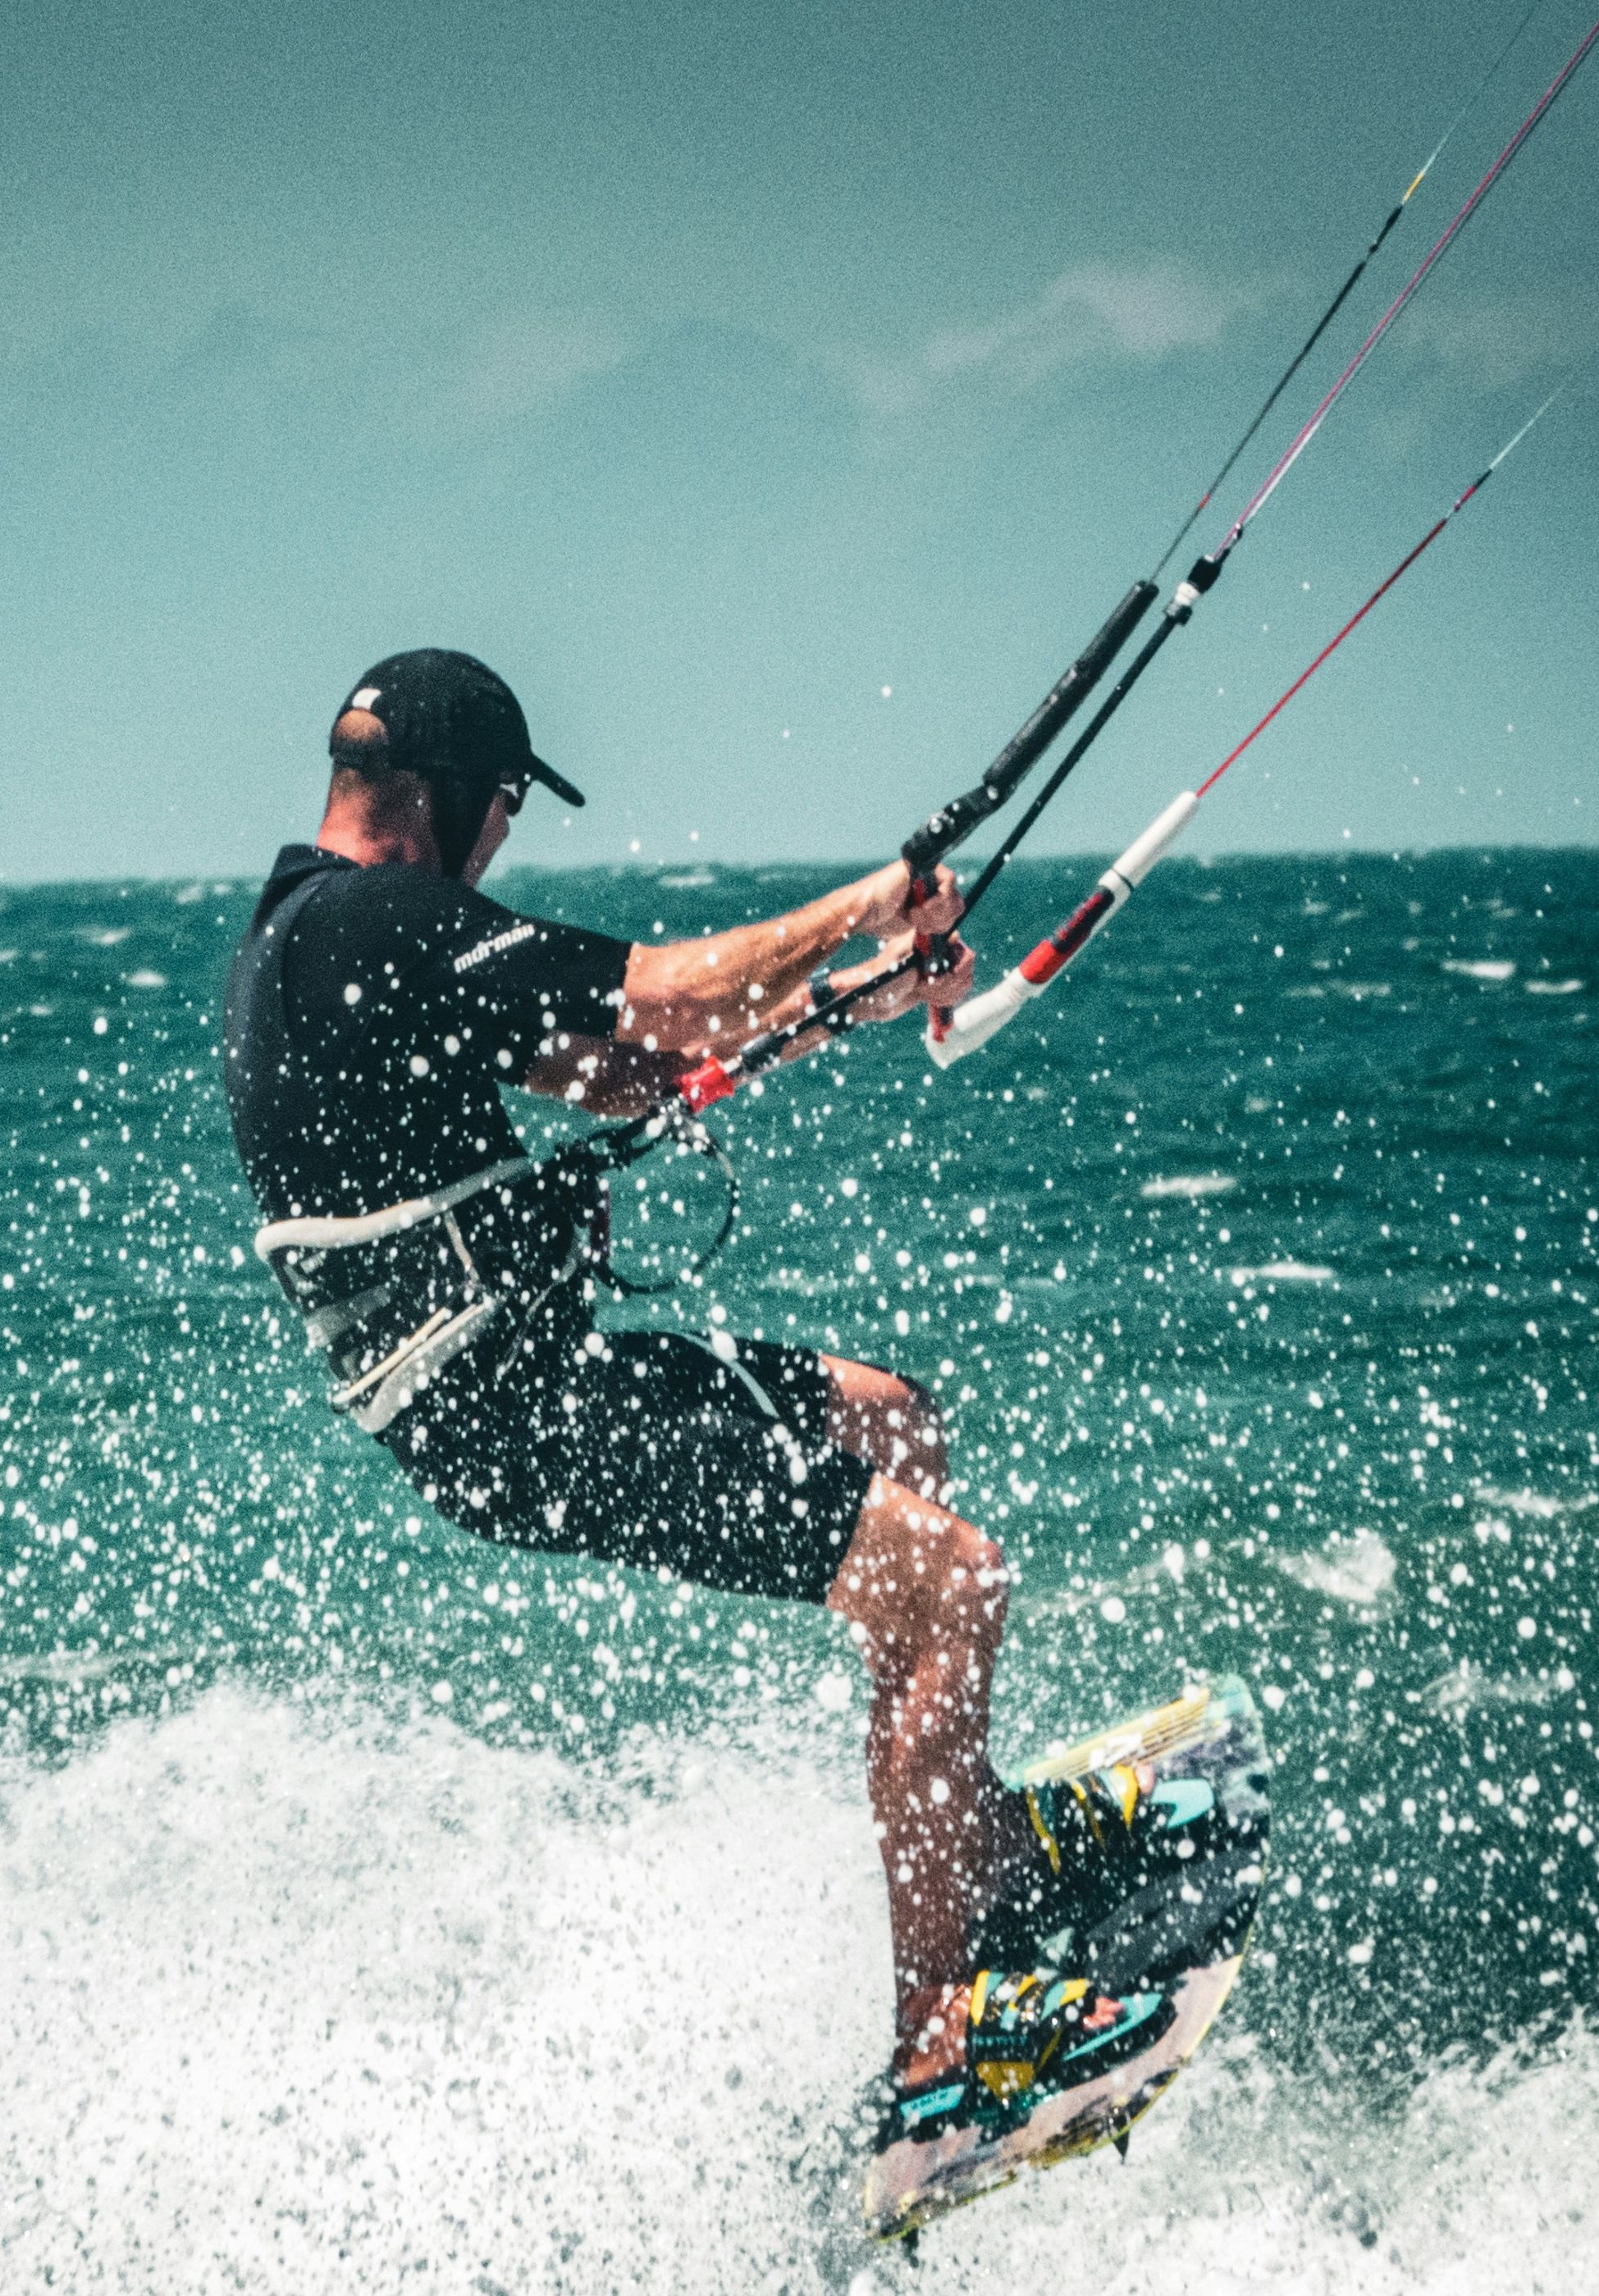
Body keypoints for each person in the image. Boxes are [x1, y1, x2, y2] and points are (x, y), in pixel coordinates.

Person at [221, 649, 1180, 2166]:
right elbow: (660, 988)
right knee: (956, 1581)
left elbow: (617, 1066)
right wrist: (874, 902)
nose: (505, 846)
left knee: (892, 1422)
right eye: (508, 812)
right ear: (455, 798)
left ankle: (969, 1843)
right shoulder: (378, 920)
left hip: (514, 1384)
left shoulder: (319, 939)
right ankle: (944, 2039)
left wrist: (857, 1000)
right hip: (514, 1413)